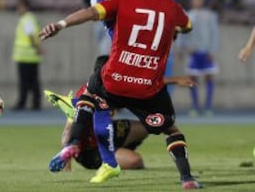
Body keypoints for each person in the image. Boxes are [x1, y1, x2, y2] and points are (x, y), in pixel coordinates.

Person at [39, 0, 202, 189]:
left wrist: (61, 24)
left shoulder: (121, 1)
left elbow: (90, 13)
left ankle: (74, 141)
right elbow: (187, 27)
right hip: (147, 85)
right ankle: (186, 178)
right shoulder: (171, 7)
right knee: (171, 130)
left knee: (91, 90)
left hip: (115, 79)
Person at [45, 55, 195, 171]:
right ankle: (115, 158)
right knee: (136, 162)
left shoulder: (118, 84)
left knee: (148, 127)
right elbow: (69, 128)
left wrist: (175, 80)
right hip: (91, 151)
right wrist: (66, 161)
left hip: (110, 131)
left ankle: (121, 151)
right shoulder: (85, 95)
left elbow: (143, 83)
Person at [178, 0, 219, 117]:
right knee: (192, 79)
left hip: (206, 52)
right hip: (193, 52)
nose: (197, 1)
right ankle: (195, 106)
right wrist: (183, 48)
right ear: (191, 1)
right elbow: (182, 33)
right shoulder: (186, 15)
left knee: (209, 77)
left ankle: (208, 106)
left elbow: (214, 34)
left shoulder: (210, 15)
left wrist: (213, 50)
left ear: (202, 0)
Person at [12, 0, 42, 110]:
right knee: (33, 81)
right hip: (30, 56)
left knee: (26, 82)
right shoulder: (29, 18)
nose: (18, 9)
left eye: (19, 7)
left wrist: (37, 48)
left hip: (26, 56)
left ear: (25, 6)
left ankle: (23, 103)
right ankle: (35, 103)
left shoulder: (27, 19)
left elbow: (30, 35)